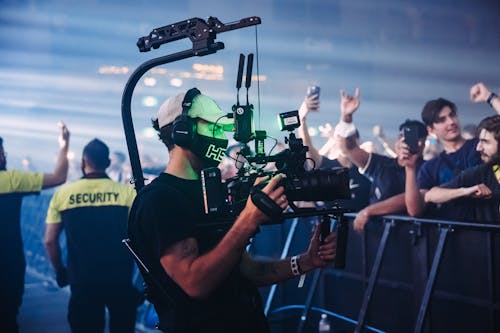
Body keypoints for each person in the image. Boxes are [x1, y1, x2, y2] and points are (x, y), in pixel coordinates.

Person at [127, 88, 337, 333]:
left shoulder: (208, 191)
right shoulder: (160, 200)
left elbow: (245, 270)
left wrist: (305, 262)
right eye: (214, 128)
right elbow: (195, 282)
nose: (221, 137)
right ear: (183, 132)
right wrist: (248, 220)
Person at [44, 138, 140, 333]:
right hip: (119, 280)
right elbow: (142, 238)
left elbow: (49, 241)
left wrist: (61, 271)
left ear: (82, 163)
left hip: (82, 281)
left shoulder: (63, 195)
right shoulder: (127, 194)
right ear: (107, 164)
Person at [0, 123, 70, 333]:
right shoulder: (12, 180)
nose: (5, 155)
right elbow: (58, 176)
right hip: (9, 262)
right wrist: (64, 145)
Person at [334, 88, 427, 231]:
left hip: (411, 241)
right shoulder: (381, 164)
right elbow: (349, 148)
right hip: (375, 238)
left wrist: (370, 210)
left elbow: (410, 200)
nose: (404, 142)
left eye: (410, 139)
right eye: (401, 137)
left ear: (421, 143)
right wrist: (346, 117)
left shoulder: (429, 169)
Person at [405, 97, 483, 218]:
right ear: (431, 129)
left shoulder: (480, 146)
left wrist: (490, 98)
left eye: (452, 115)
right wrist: (409, 168)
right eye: (442, 120)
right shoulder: (430, 168)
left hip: (490, 230)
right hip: (453, 233)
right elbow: (415, 210)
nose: (451, 122)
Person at [297, 92, 371, 211]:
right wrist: (302, 118)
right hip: (330, 227)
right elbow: (307, 146)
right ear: (334, 139)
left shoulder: (366, 170)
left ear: (357, 141)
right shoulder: (326, 166)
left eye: (348, 137)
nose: (343, 141)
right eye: (339, 136)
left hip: (359, 227)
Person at [424, 115, 500, 222]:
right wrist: (464, 191)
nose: (478, 148)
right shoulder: (480, 173)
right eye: (479, 141)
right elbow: (430, 195)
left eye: (485, 142)